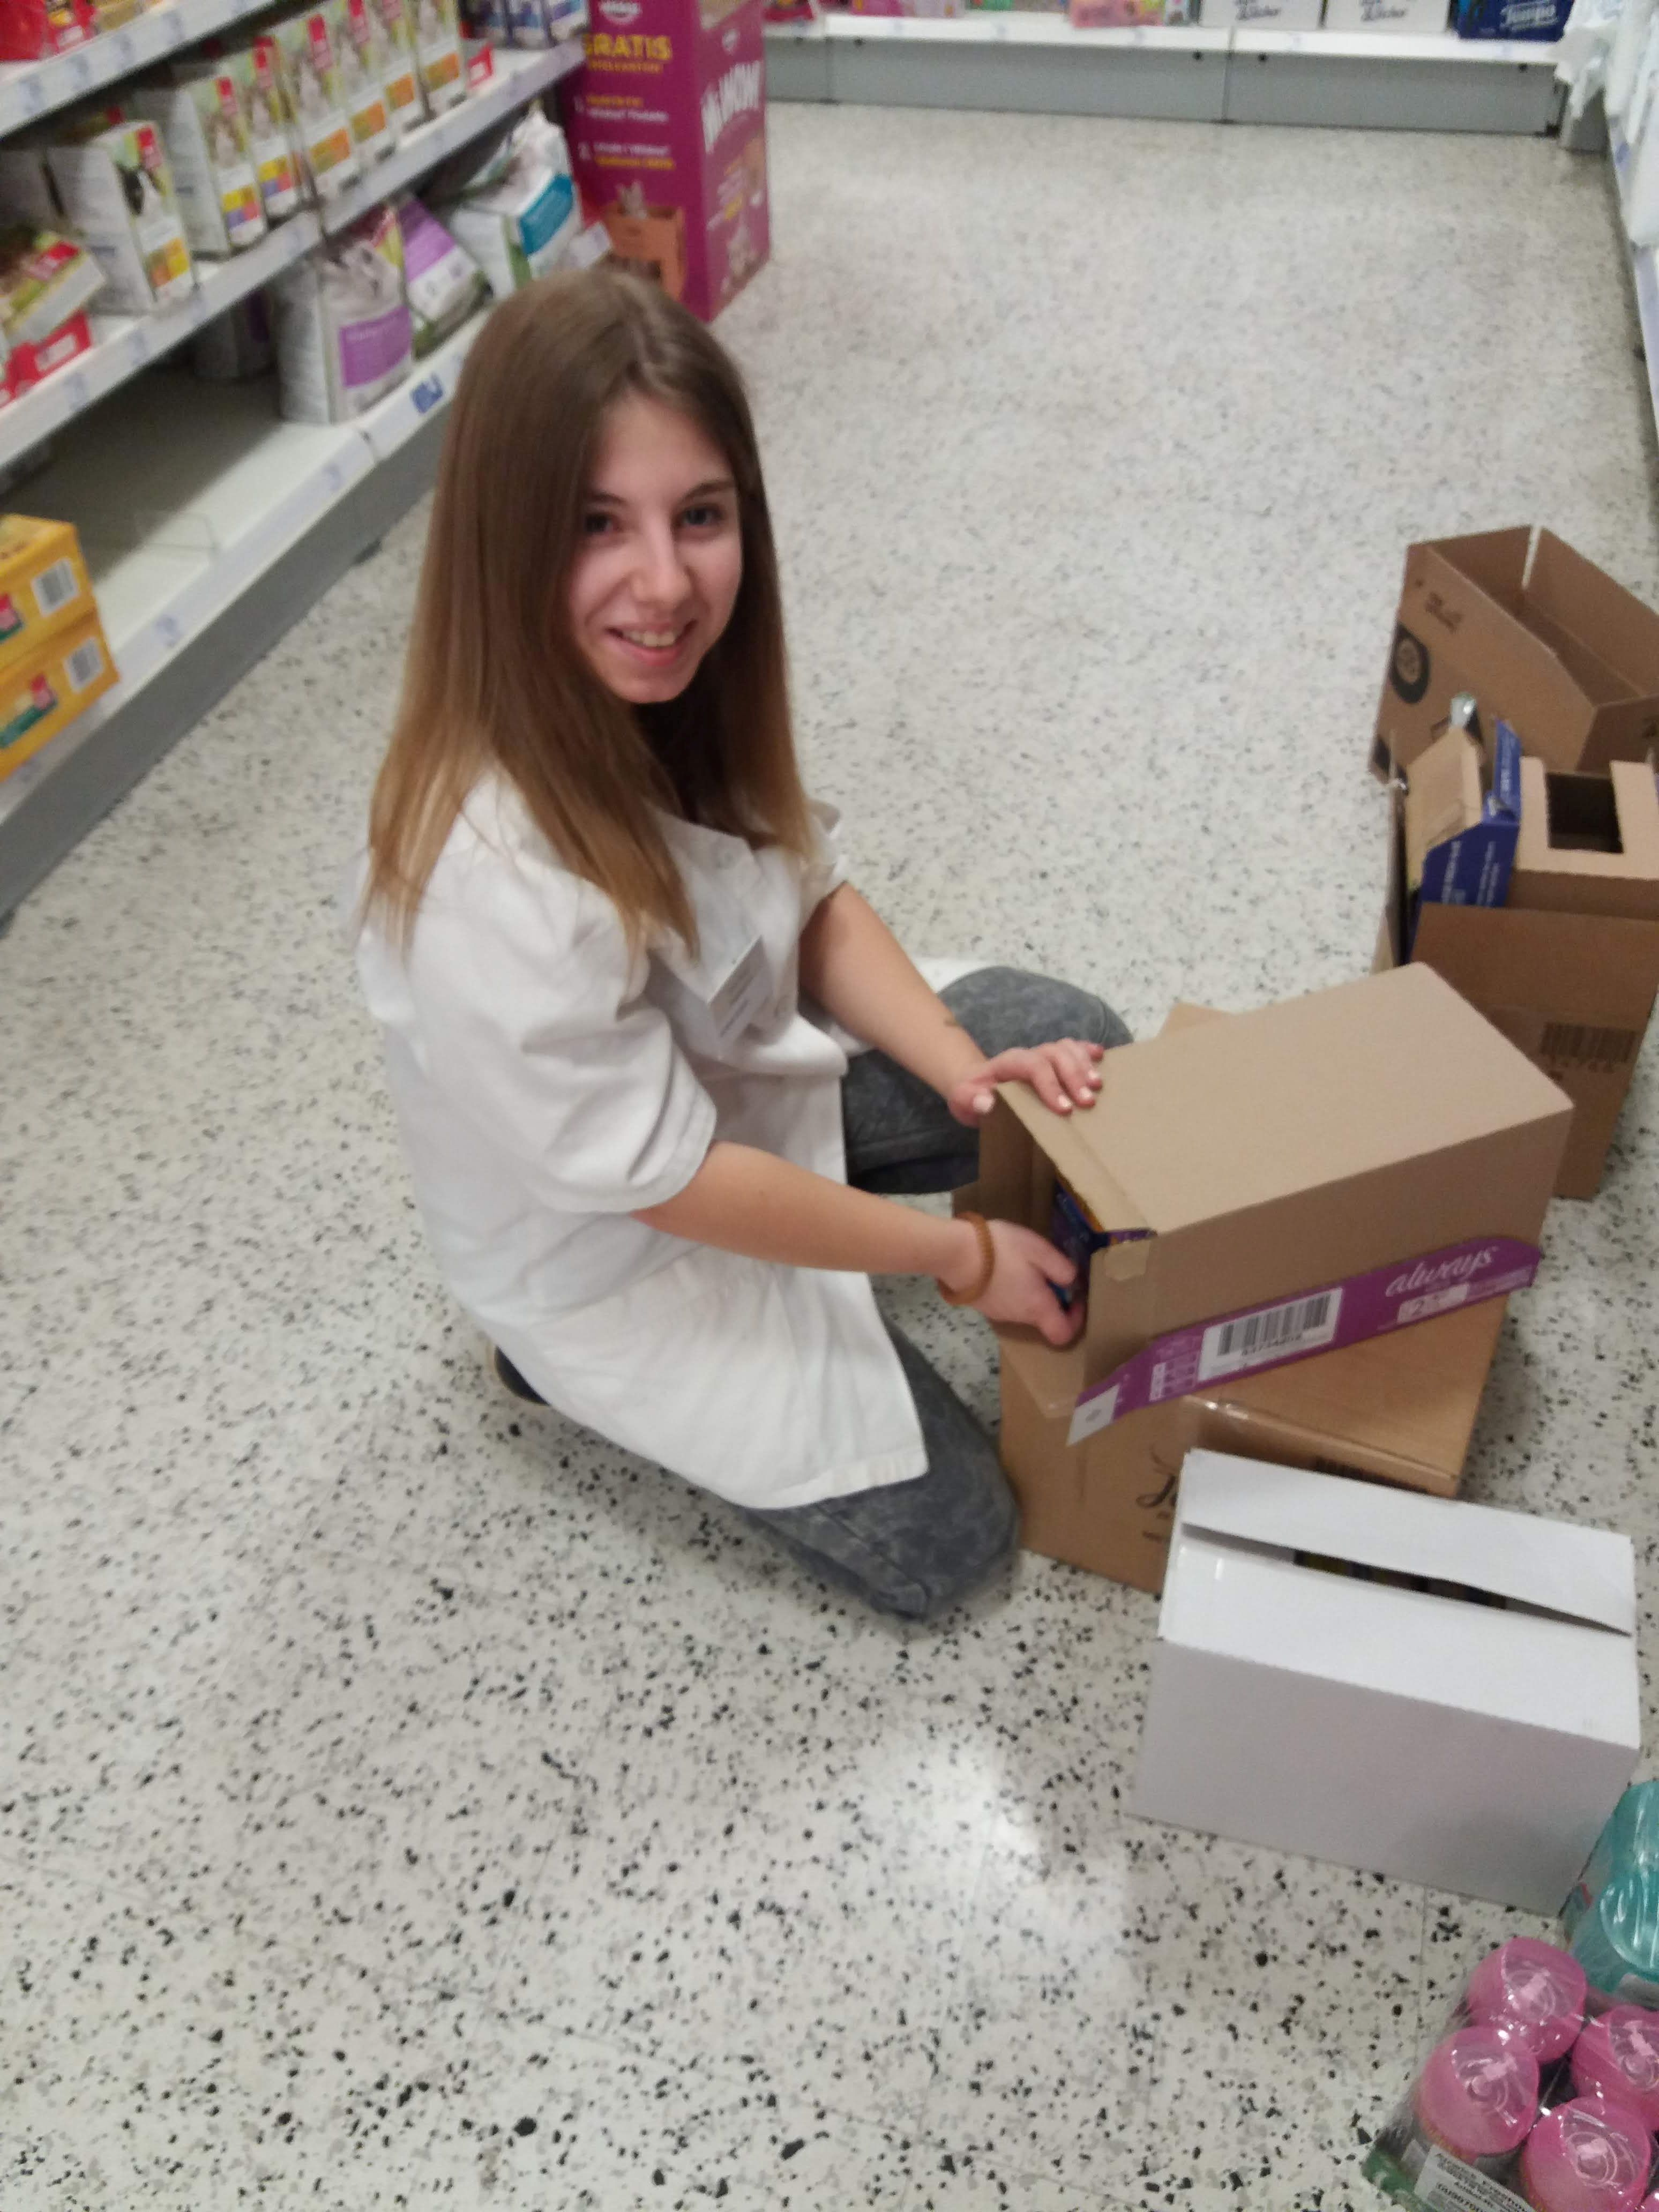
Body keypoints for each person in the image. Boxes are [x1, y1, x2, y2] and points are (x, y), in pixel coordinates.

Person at [351, 268, 1131, 1623]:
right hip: (613, 1239)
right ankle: (543, 1368)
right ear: (502, 535)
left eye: (699, 517)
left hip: (729, 1083)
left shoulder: (680, 686)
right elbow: (666, 1183)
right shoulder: (486, 873)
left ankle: (859, 1196)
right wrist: (955, 1261)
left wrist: (963, 1073)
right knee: (956, 1541)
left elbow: (808, 899)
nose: (664, 585)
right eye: (597, 524)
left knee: (1077, 1050)